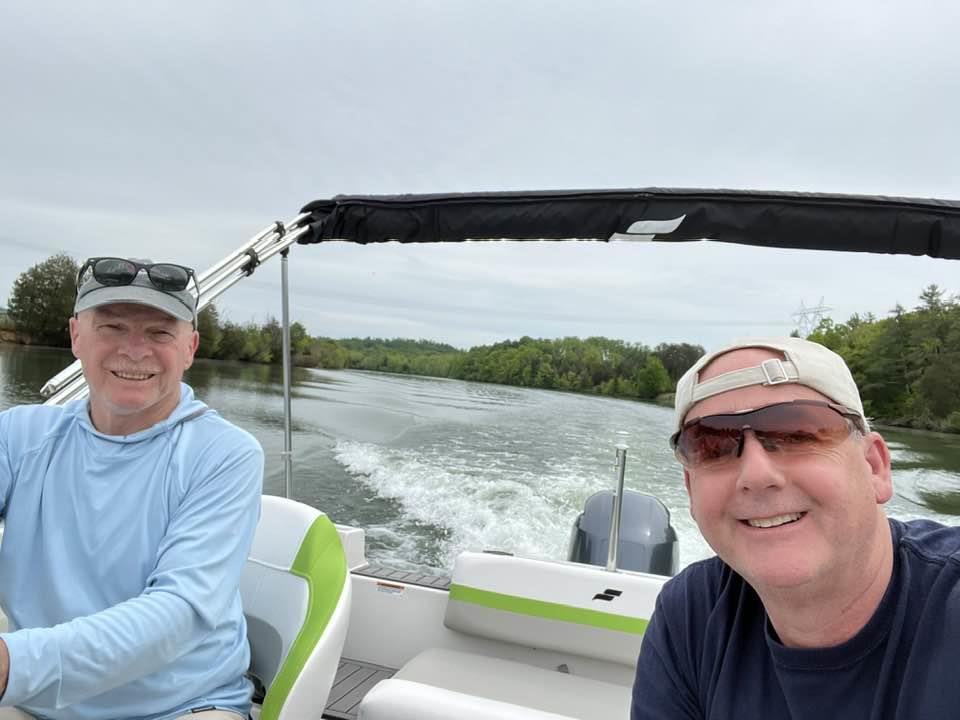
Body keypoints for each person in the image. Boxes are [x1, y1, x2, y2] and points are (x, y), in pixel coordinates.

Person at [631, 336, 960, 719]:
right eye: (712, 445)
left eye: (796, 433)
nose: (755, 475)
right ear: (691, 490)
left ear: (874, 467)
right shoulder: (691, 616)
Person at [0, 257, 264, 720]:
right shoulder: (17, 436)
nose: (135, 350)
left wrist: (13, 663)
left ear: (190, 348)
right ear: (76, 336)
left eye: (160, 333)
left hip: (181, 706)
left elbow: (179, 612)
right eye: (113, 327)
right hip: (33, 697)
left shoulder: (226, 455)